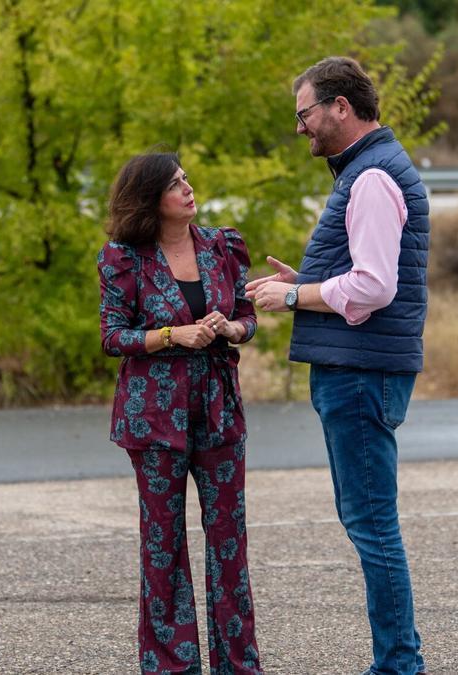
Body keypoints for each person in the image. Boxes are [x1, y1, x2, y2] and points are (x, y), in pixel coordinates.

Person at [246, 56, 431, 675]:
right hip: (362, 366)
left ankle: (398, 666)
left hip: (359, 372)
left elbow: (376, 286)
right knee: (369, 519)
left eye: (305, 114)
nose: (301, 127)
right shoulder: (369, 168)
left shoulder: (372, 177)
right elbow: (368, 275)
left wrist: (297, 297)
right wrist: (313, 281)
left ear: (340, 107)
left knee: (372, 523)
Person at [98, 152, 263, 675]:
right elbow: (112, 336)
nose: (188, 189)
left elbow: (246, 314)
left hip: (219, 411)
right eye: (175, 184)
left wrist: (234, 329)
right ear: (151, 199)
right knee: (163, 546)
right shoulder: (124, 257)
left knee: (229, 543)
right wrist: (173, 335)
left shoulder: (223, 245)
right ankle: (172, 666)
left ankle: (239, 665)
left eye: (187, 179)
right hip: (154, 419)